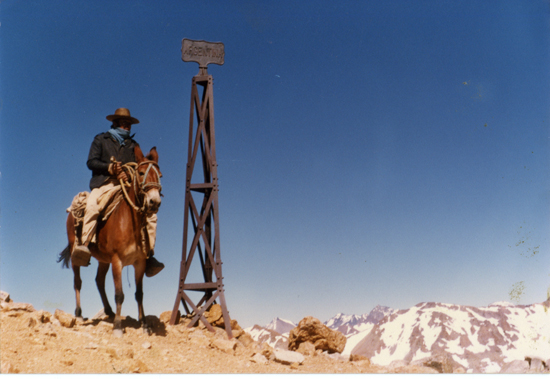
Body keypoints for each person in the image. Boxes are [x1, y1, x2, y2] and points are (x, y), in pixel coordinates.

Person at [71, 108, 164, 277]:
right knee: (92, 205)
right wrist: (110, 168)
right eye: (123, 123)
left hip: (125, 185)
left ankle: (149, 254)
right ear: (114, 123)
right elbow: (91, 162)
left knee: (150, 215)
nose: (126, 126)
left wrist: (126, 173)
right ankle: (85, 244)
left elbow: (138, 166)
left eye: (128, 123)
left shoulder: (133, 146)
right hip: (104, 184)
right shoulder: (100, 139)